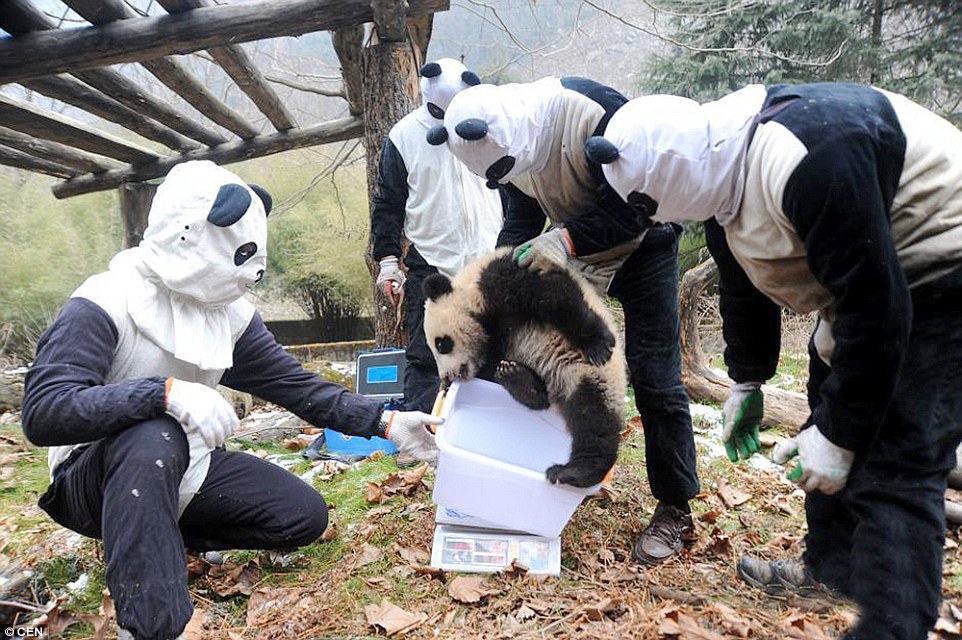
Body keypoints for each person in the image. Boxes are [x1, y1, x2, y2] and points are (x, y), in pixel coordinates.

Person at [584, 82, 962, 640]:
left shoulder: (808, 157)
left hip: (941, 273)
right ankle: (832, 568)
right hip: (875, 285)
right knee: (826, 407)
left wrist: (839, 435)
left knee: (894, 459)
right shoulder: (718, 175)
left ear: (669, 174)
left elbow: (878, 312)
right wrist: (748, 378)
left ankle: (893, 625)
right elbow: (743, 282)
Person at [20, 160, 442, 640]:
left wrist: (386, 423)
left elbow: (296, 385)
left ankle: (156, 537)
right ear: (188, 235)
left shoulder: (226, 313)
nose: (252, 272)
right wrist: (163, 394)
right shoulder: (106, 299)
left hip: (185, 464)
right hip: (92, 477)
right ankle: (151, 627)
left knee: (301, 515)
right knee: (153, 432)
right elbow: (44, 411)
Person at [426, 76, 701, 565]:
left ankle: (675, 506)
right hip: (574, 249)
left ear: (508, 135)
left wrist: (567, 241)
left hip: (644, 239)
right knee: (525, 352)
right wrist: (495, 272)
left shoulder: (595, 113)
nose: (501, 180)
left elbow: (639, 204)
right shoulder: (508, 144)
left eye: (501, 172)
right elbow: (519, 223)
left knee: (656, 376)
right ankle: (538, 455)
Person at [371, 58, 504, 418]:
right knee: (426, 353)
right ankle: (421, 428)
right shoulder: (403, 135)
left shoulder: (487, 123)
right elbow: (388, 202)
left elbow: (509, 185)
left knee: (492, 346)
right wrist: (387, 261)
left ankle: (482, 428)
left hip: (487, 257)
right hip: (431, 261)